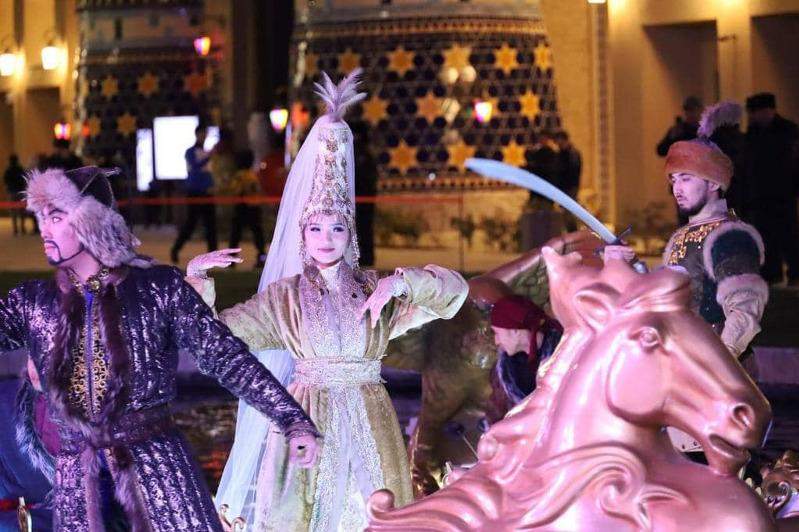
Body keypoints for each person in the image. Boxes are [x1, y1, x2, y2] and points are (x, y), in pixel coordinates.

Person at [188, 70, 468, 530]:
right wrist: (198, 281)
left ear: (349, 234)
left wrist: (402, 284)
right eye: (315, 228)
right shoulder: (285, 299)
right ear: (302, 235)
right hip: (308, 425)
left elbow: (454, 295)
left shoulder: (376, 289)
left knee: (376, 513)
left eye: (336, 227)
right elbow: (215, 339)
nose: (325, 238)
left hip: (371, 422)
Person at [0, 165, 319, 531]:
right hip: (77, 479)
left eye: (55, 217)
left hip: (158, 469)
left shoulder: (157, 289)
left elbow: (226, 357)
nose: (44, 229)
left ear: (91, 222)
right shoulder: (32, 302)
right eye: (42, 218)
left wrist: (292, 419)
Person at [606, 106, 768, 360]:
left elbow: (744, 313)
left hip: (713, 366)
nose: (677, 189)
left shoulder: (730, 236)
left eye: (686, 178)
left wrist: (715, 364)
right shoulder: (682, 235)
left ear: (713, 182)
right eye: (673, 180)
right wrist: (631, 264)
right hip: (681, 360)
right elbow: (668, 295)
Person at [743, 92, 799, 286]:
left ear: (769, 110)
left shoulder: (788, 131)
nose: (753, 117)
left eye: (756, 112)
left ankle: (795, 272)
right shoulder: (753, 132)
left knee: (788, 233)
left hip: (783, 192)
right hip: (760, 193)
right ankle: (771, 273)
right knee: (766, 235)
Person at [487, 295, 562, 423]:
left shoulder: (563, 355)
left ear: (515, 330)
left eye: (497, 333)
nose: (496, 341)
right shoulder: (509, 372)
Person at [171, 124, 218, 263]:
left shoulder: (205, 151)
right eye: (202, 133)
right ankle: (175, 249)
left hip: (207, 193)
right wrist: (209, 156)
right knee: (191, 224)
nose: (204, 136)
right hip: (195, 192)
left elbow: (208, 172)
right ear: (197, 134)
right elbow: (195, 167)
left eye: (205, 134)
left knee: (211, 225)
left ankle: (213, 257)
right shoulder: (190, 152)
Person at [227, 150, 267, 267]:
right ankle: (261, 257)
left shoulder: (240, 176)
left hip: (242, 206)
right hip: (255, 207)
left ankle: (231, 260)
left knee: (235, 234)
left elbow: (235, 190)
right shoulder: (253, 174)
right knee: (257, 234)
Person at [352, 121, 378, 267]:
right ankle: (365, 258)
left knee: (363, 229)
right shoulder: (365, 154)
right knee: (364, 229)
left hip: (361, 199)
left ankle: (364, 258)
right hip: (364, 199)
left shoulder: (360, 154)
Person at [553, 131, 582, 231]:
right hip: (562, 188)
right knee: (565, 214)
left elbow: (573, 171)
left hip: (570, 187)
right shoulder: (560, 154)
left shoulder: (573, 154)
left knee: (569, 213)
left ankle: (573, 233)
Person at [3, 154, 28, 235]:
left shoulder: (8, 170)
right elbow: (24, 179)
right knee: (21, 210)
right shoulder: (20, 169)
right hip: (20, 191)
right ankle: (22, 228)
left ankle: (15, 229)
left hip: (11, 192)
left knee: (13, 211)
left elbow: (5, 181)